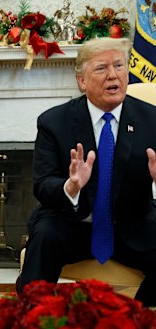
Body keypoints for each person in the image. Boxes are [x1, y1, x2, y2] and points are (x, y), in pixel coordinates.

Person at [19, 37, 156, 306]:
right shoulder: (53, 122)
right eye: (101, 68)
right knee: (45, 235)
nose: (113, 75)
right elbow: (43, 185)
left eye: (119, 65)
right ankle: (32, 314)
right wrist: (70, 187)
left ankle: (134, 315)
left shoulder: (152, 120)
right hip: (72, 223)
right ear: (82, 81)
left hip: (132, 225)